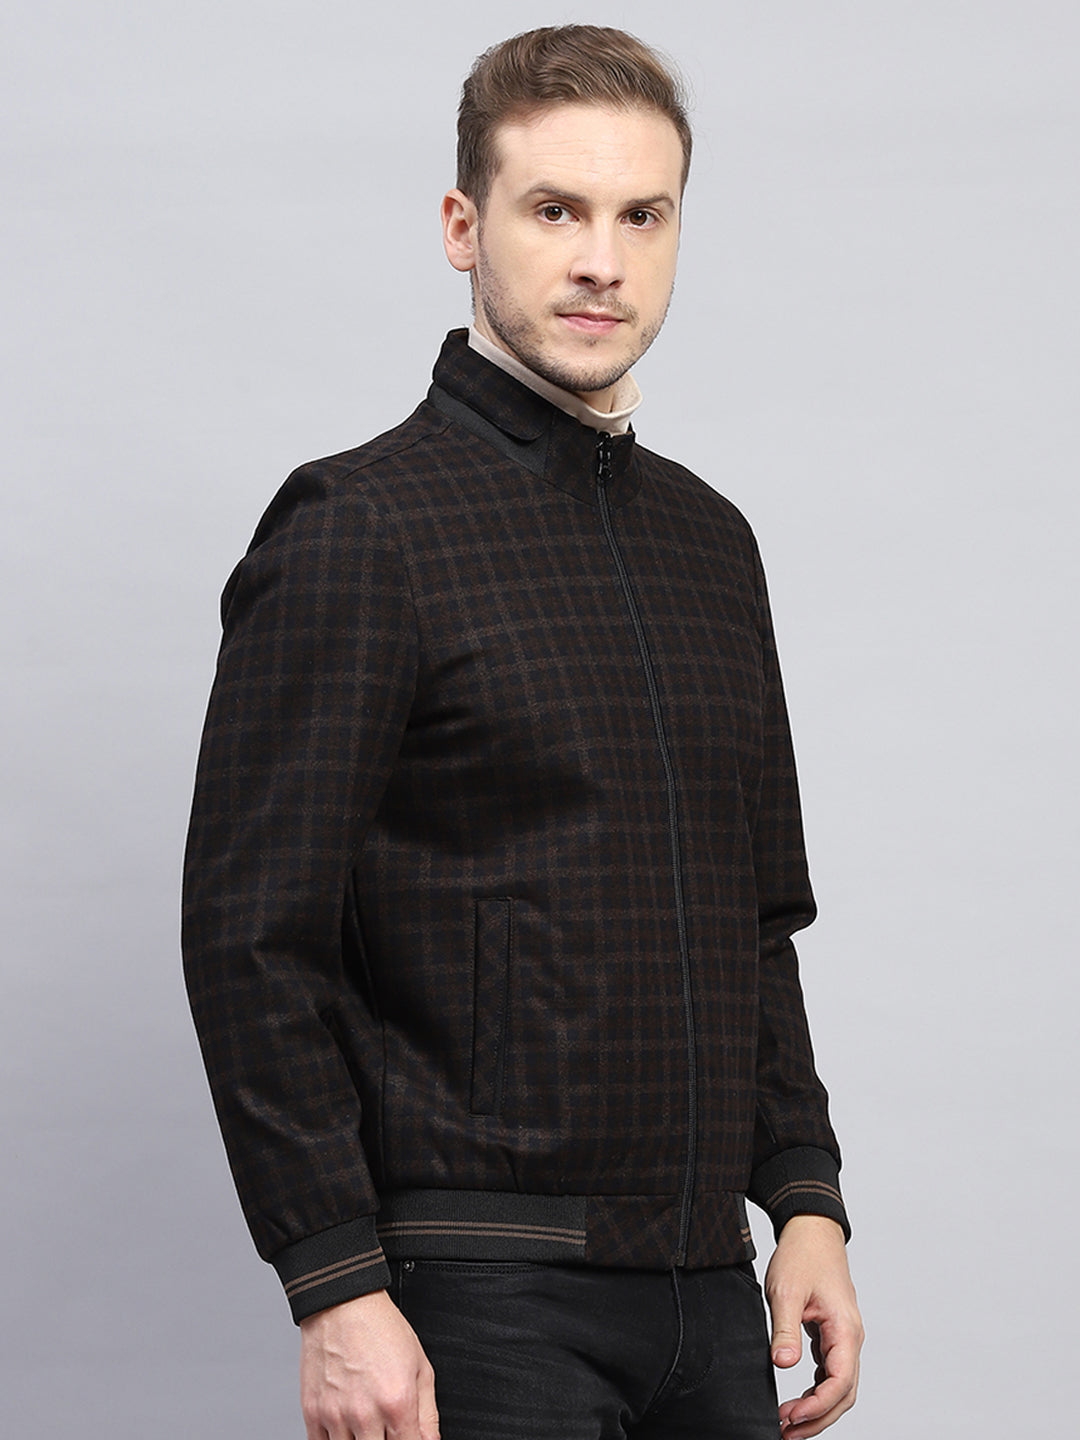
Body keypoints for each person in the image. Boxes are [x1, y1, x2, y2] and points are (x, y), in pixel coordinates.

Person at [183, 24, 863, 1440]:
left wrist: (804, 1195)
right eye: (555, 210)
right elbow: (251, 937)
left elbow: (755, 919)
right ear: (463, 226)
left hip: (708, 1294)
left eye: (642, 216)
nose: (601, 260)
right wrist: (333, 1280)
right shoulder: (360, 529)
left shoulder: (711, 545)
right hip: (480, 1299)